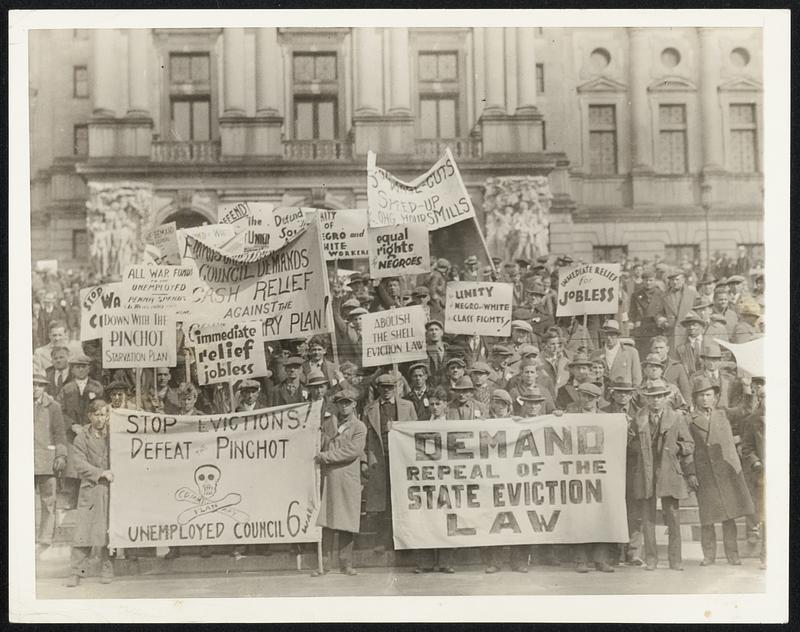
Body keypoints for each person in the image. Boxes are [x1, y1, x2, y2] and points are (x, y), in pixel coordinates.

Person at [629, 379, 697, 571]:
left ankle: (676, 560)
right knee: (647, 518)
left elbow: (690, 444)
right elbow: (630, 443)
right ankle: (651, 559)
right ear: (646, 399)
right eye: (651, 397)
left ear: (666, 397)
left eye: (659, 397)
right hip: (645, 472)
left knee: (673, 517)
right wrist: (641, 449)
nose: (655, 401)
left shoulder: (676, 418)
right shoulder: (639, 417)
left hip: (669, 472)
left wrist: (676, 448)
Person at [688, 376, 754, 567]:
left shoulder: (724, 414)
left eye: (708, 395)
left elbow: (745, 410)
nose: (705, 399)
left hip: (726, 473)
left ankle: (732, 555)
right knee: (707, 518)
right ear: (695, 398)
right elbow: (687, 448)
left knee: (729, 516)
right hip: (705, 475)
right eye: (700, 396)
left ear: (715, 397)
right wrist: (691, 473)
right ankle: (709, 556)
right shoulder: (689, 420)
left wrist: (747, 388)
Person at [314, 389, 367, 577]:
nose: (344, 406)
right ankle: (325, 564)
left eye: (348, 402)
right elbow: (319, 442)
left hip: (347, 478)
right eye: (341, 403)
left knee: (346, 522)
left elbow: (353, 451)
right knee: (327, 521)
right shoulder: (328, 424)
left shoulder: (359, 427)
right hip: (329, 478)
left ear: (354, 404)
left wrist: (326, 456)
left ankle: (346, 563)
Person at [363, 373, 417, 549]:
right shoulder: (369, 409)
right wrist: (364, 460)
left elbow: (415, 433)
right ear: (377, 389)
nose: (386, 391)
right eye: (383, 387)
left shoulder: (407, 406)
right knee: (382, 502)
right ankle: (382, 540)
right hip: (379, 459)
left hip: (401, 459)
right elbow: (364, 438)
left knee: (402, 498)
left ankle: (405, 539)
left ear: (396, 388)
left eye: (390, 387)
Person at [66, 398, 114, 587]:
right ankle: (77, 571)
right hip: (91, 489)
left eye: (103, 414)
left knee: (108, 530)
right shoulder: (81, 438)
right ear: (90, 416)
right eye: (97, 415)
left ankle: (107, 568)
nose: (100, 419)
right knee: (83, 531)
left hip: (110, 490)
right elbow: (79, 464)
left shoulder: (113, 435)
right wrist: (100, 473)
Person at [413, 386, 457, 573]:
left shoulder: (455, 423)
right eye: (431, 404)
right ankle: (425, 562)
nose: (435, 407)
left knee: (447, 516)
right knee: (427, 516)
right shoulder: (422, 422)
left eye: (438, 404)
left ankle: (446, 562)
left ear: (445, 404)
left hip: (448, 476)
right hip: (428, 477)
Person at [602, 379, 642, 565]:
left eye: (626, 392)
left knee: (634, 510)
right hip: (610, 468)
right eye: (619, 392)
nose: (623, 396)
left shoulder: (640, 414)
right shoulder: (604, 415)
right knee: (612, 510)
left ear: (632, 394)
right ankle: (614, 553)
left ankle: (633, 552)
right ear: (613, 394)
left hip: (633, 467)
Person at [34, 371, 67, 559]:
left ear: (45, 387)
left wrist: (61, 455)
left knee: (48, 501)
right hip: (25, 460)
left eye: (39, 385)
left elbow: (60, 432)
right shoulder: (19, 403)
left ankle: (45, 539)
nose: (35, 389)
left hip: (47, 460)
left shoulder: (53, 406)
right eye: (32, 384)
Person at [740, 376, 766, 569]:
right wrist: (756, 462)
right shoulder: (752, 420)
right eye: (763, 397)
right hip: (763, 473)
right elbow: (747, 448)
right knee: (765, 513)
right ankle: (766, 556)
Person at [648, 336, 691, 405]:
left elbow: (685, 389)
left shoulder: (677, 367)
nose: (658, 351)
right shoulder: (647, 367)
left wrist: (688, 406)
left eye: (661, 348)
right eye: (655, 348)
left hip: (671, 405)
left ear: (667, 349)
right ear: (651, 349)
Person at [663, 269, 699, 351]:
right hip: (671, 332)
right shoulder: (664, 295)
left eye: (677, 279)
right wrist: (662, 320)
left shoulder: (692, 293)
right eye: (672, 280)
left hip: (688, 332)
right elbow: (659, 312)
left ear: (683, 280)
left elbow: (699, 311)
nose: (675, 282)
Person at [598, 319, 642, 386]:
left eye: (612, 334)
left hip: (624, 394)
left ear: (618, 335)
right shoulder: (596, 354)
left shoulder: (631, 352)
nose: (609, 338)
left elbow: (637, 379)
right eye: (606, 335)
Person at [674, 311, 706, 377]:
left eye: (694, 325)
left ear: (701, 326)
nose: (691, 327)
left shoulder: (709, 343)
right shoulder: (681, 348)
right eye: (688, 325)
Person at [424, 320, 451, 385]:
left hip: (447, 385)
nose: (434, 332)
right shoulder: (423, 351)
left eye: (436, 329)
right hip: (430, 386)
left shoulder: (449, 349)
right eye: (431, 330)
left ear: (441, 333)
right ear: (427, 333)